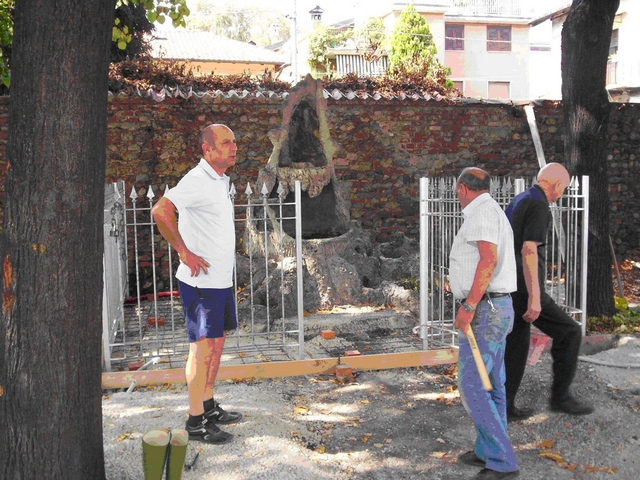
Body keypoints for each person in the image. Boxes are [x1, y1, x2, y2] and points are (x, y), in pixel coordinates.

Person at [152, 124, 242, 444]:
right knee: (202, 351)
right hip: (201, 284)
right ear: (208, 150)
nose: (234, 147)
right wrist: (183, 251)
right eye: (226, 143)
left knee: (216, 347)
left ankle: (208, 406)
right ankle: (195, 423)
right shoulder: (196, 180)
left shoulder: (219, 181)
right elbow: (161, 210)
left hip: (219, 281)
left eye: (234, 142)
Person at [503, 162, 594, 421]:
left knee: (516, 346)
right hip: (525, 287)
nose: (562, 193)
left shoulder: (521, 199)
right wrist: (535, 297)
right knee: (569, 331)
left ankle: (506, 406)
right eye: (563, 188)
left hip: (511, 283)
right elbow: (529, 249)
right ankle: (560, 397)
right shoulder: (539, 204)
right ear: (555, 185)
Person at [449, 167, 520, 479]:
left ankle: (502, 461)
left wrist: (469, 304)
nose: (455, 193)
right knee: (491, 384)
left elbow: (488, 260)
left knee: (473, 385)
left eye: (455, 188)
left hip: (486, 311)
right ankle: (486, 450)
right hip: (495, 307)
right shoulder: (491, 211)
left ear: (464, 188)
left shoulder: (481, 213)